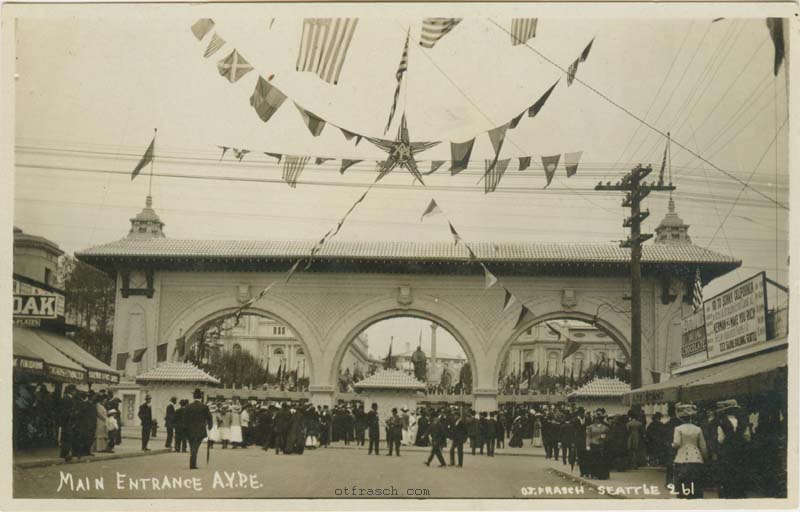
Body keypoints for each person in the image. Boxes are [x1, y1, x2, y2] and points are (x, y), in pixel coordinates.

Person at [715, 399, 750, 498]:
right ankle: (740, 494)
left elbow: (721, 439)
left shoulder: (721, 422)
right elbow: (747, 437)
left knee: (728, 474)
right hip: (740, 451)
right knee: (740, 473)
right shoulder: (743, 422)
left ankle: (729, 494)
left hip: (727, 451)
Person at [672, 403, 707, 499]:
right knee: (696, 485)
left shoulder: (678, 429)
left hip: (681, 459)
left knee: (682, 486)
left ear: (681, 417)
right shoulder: (698, 429)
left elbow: (677, 443)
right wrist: (705, 457)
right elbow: (703, 446)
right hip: (696, 459)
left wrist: (672, 445)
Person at [184, 389, 212, 469]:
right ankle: (193, 464)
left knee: (192, 445)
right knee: (195, 446)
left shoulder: (188, 406)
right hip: (200, 430)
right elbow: (209, 418)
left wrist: (185, 430)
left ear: (193, 397)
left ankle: (192, 463)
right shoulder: (204, 407)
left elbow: (184, 419)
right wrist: (210, 426)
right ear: (201, 397)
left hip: (189, 430)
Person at [585, 410, 610, 479]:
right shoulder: (590, 427)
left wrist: (604, 437)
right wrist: (587, 445)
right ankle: (594, 473)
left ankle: (601, 474)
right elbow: (588, 436)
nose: (597, 420)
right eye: (596, 419)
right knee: (594, 460)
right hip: (593, 444)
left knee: (601, 460)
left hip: (601, 444)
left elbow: (607, 435)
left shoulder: (605, 427)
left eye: (598, 419)